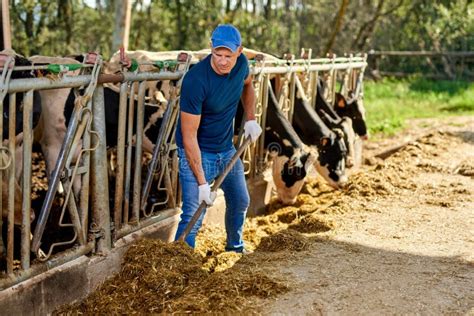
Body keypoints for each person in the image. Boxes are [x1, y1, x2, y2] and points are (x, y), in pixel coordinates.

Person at [174, 24, 262, 253]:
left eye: (228, 56)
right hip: (197, 151)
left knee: (241, 200)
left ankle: (235, 248)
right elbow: (189, 136)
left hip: (226, 149)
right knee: (193, 212)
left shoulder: (241, 65)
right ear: (211, 48)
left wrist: (251, 118)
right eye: (217, 54)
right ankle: (178, 268)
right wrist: (203, 183)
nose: (222, 61)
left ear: (239, 51)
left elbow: (248, 85)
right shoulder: (196, 80)